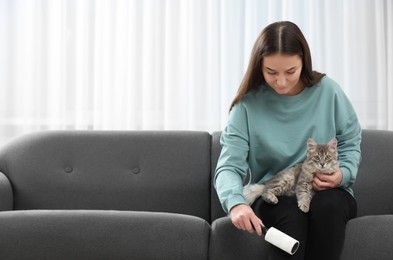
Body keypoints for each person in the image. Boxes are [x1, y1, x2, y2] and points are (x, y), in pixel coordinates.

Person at [214, 21, 361, 260]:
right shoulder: (246, 106)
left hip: (329, 193)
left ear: (304, 62)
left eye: (290, 71)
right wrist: (235, 203)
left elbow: (350, 141)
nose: (281, 82)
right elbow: (229, 166)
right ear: (258, 66)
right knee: (288, 212)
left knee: (329, 207)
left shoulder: (329, 91)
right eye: (271, 72)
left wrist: (342, 173)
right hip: (275, 194)